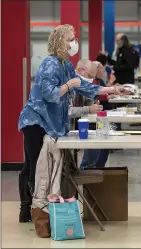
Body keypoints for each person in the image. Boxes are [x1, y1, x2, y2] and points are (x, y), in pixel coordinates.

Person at [17, 24, 129, 223]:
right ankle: (31, 211)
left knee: (44, 167)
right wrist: (69, 85)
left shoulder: (66, 65)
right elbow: (49, 94)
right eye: (70, 39)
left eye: (74, 39)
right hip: (36, 121)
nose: (74, 43)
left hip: (50, 123)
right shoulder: (49, 64)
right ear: (60, 42)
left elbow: (85, 86)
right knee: (35, 167)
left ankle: (42, 208)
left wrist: (111, 90)